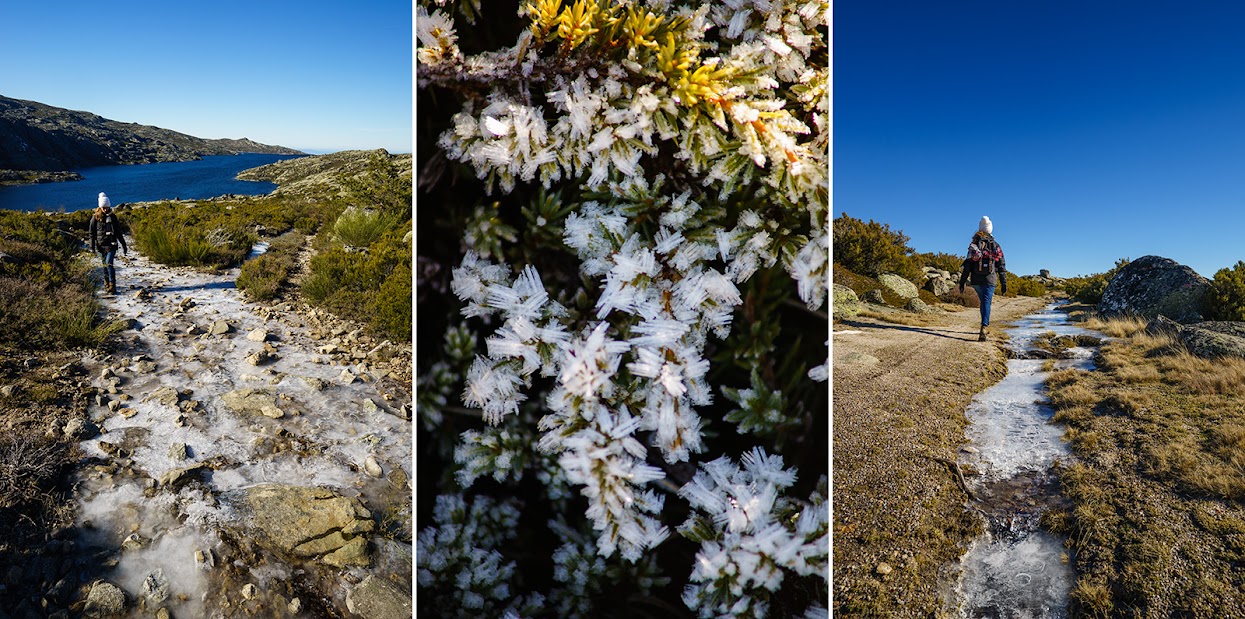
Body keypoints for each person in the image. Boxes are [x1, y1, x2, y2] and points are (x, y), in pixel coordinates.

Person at [958, 216, 1007, 341]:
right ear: (990, 229)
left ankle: (984, 324)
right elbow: (1001, 265)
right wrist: (1003, 282)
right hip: (990, 279)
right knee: (986, 302)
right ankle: (984, 326)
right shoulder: (996, 245)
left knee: (983, 302)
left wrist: (962, 281)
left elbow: (967, 264)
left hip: (976, 280)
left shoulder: (974, 245)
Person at [89, 192, 128, 294]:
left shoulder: (113, 217)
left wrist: (124, 245)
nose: (106, 209)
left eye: (107, 207)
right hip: (101, 246)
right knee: (105, 267)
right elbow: (92, 234)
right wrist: (92, 247)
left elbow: (118, 232)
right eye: (104, 207)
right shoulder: (95, 218)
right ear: (100, 207)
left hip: (112, 245)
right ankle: (107, 285)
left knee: (109, 264)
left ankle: (112, 285)